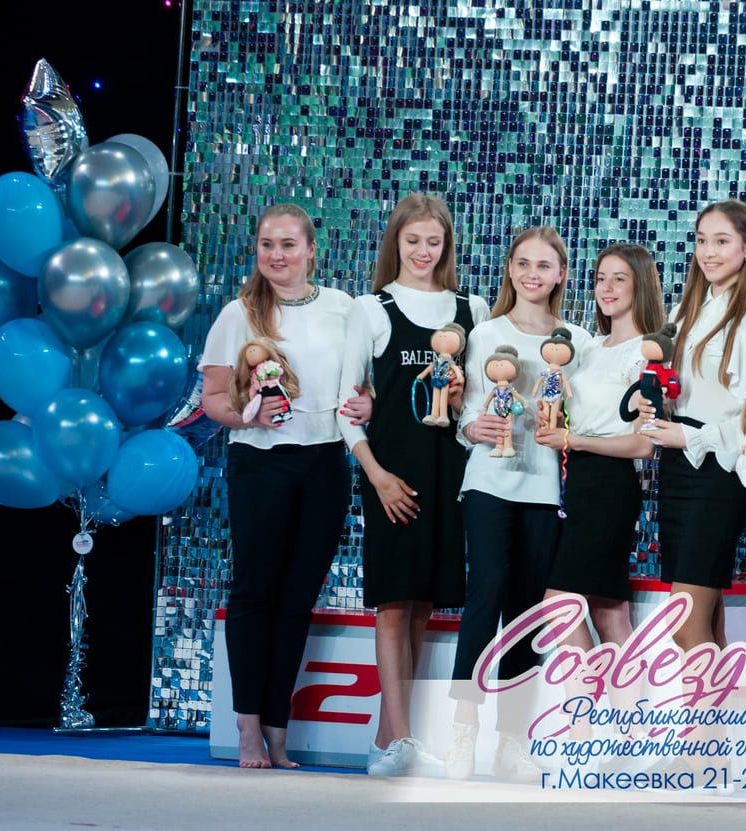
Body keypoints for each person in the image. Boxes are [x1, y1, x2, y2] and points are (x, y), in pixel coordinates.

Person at [336, 192, 489, 777]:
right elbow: (346, 408)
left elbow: (475, 403)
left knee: (424, 605)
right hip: (392, 477)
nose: (424, 251)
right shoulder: (370, 308)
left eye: (434, 241)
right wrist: (376, 476)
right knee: (393, 604)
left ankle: (391, 737)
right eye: (413, 241)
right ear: (395, 243)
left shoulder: (471, 309)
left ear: (447, 245)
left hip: (449, 475)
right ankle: (398, 737)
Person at [199, 202, 354, 769]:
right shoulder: (238, 314)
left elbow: (360, 387)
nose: (277, 255)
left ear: (312, 250)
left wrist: (365, 402)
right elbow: (212, 399)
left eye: (288, 244)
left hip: (325, 463)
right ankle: (246, 726)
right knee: (254, 593)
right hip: (260, 464)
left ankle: (277, 727)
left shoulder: (343, 308)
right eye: (267, 244)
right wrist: (249, 418)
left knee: (297, 600)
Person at [446, 225, 592, 780]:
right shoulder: (486, 333)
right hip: (488, 482)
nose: (533, 274)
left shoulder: (575, 342)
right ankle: (463, 729)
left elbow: (581, 415)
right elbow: (466, 410)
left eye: (544, 265)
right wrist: (471, 428)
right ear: (510, 268)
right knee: (484, 596)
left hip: (545, 490)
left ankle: (512, 740)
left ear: (561, 274)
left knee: (528, 613)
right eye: (523, 263)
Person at [636, 199, 746, 652]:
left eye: (721, 241)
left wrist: (690, 436)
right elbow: (678, 389)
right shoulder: (684, 313)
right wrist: (652, 401)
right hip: (676, 468)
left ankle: (701, 704)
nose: (708, 252)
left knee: (685, 624)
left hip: (718, 474)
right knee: (708, 620)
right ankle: (715, 703)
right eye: (701, 241)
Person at [534, 243, 662, 654]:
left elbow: (644, 444)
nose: (606, 288)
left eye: (618, 279)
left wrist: (573, 440)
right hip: (577, 482)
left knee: (559, 606)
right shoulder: (589, 346)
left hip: (609, 486)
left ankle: (588, 699)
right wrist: (553, 423)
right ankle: (622, 698)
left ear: (640, 286)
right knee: (609, 613)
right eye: (600, 278)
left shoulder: (648, 353)